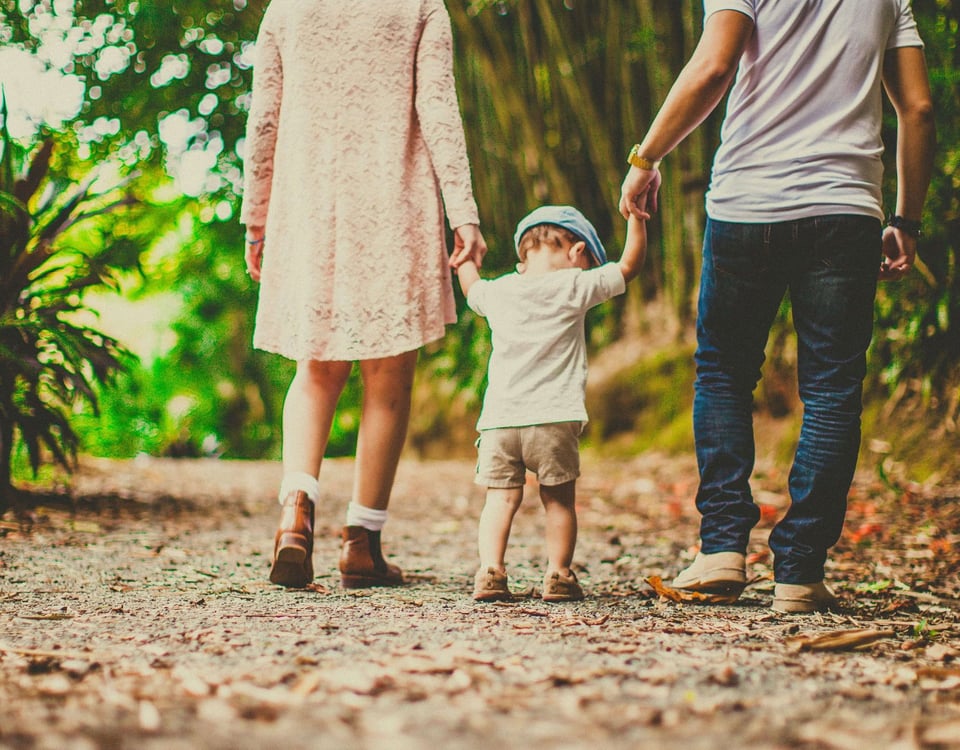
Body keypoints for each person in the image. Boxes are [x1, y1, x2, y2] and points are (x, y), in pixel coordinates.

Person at [619, 0, 935, 612]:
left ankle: (721, 550)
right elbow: (917, 107)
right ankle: (799, 572)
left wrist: (646, 157)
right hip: (845, 208)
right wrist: (906, 219)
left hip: (748, 203)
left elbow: (715, 65)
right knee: (833, 389)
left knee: (725, 373)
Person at [240, 0, 487, 589]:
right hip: (393, 199)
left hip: (308, 201)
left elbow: (264, 120)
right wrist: (464, 212)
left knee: (316, 369)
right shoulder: (420, 5)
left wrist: (257, 215)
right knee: (390, 375)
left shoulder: (288, 9)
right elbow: (439, 112)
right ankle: (362, 543)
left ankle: (295, 516)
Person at [455, 205, 647, 602]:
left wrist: (467, 257)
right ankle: (558, 574)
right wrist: (637, 219)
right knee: (558, 500)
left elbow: (471, 286)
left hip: (500, 422)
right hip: (554, 418)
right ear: (577, 254)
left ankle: (490, 570)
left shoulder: (501, 290)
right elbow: (629, 265)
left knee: (500, 499)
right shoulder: (574, 286)